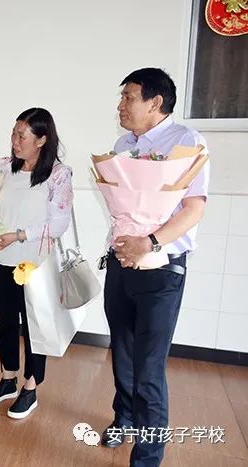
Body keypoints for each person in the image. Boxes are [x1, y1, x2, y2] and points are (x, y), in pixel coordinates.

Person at [101, 68, 209, 467]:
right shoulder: (122, 144)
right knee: (122, 353)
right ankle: (124, 418)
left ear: (155, 102)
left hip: (162, 268)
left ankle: (147, 457)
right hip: (122, 263)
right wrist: (127, 246)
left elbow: (194, 208)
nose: (121, 105)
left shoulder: (187, 141)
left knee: (148, 366)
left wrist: (149, 242)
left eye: (128, 97)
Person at [0, 108, 73, 419]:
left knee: (36, 327)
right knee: (6, 323)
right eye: (13, 133)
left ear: (42, 139)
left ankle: (30, 387)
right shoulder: (4, 169)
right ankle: (8, 379)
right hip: (2, 260)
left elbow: (58, 223)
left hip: (35, 266)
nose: (14, 141)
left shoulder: (58, 174)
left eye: (21, 135)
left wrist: (19, 235)